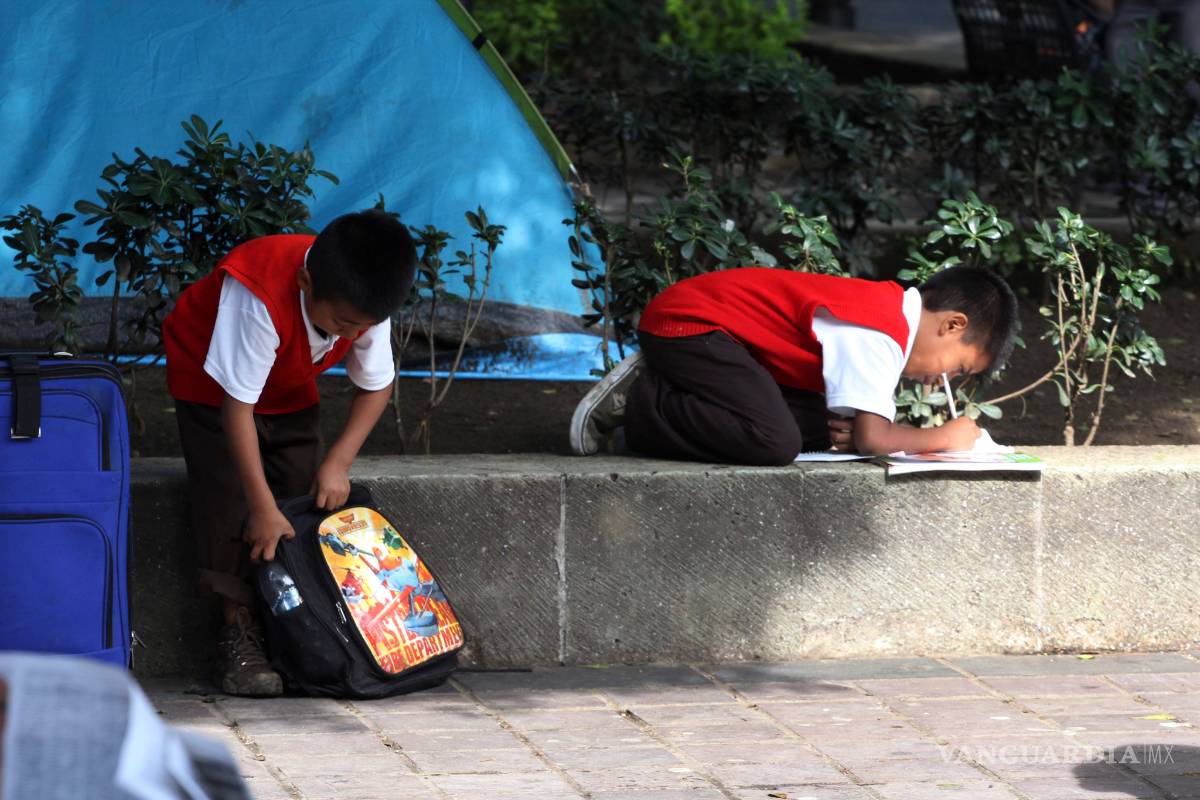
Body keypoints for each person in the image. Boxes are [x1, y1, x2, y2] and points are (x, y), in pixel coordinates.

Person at [162, 210, 417, 697]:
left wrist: (337, 462)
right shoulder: (256, 292)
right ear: (305, 282)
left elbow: (376, 386)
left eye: (363, 327)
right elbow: (236, 409)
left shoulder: (363, 302)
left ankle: (301, 625)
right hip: (211, 385)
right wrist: (259, 508)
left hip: (288, 383)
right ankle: (237, 632)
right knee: (228, 499)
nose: (351, 335)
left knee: (306, 496)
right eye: (343, 323)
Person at [569, 266, 1018, 465]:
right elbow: (872, 438)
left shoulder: (889, 321)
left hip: (731, 346)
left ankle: (651, 413)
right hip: (690, 325)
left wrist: (856, 435)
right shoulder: (882, 329)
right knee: (774, 442)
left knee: (820, 427)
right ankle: (642, 402)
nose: (941, 382)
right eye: (958, 369)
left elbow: (858, 435)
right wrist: (946, 437)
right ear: (952, 325)